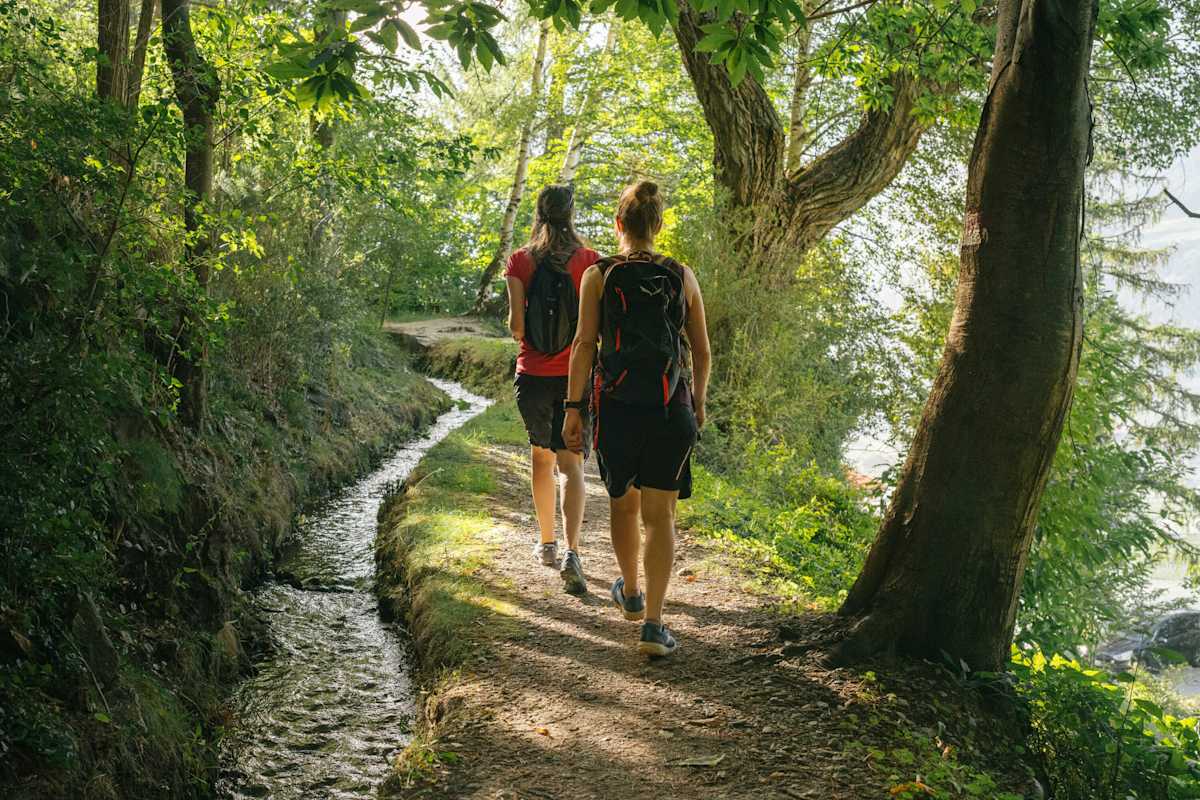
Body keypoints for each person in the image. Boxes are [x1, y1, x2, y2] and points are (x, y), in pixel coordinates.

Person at [562, 180, 711, 656]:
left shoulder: (599, 275)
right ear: (658, 225)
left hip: (617, 408)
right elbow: (702, 351)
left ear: (618, 224)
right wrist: (698, 401)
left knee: (623, 505)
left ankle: (630, 592)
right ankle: (653, 625)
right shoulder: (681, 275)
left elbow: (584, 345)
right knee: (661, 516)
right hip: (671, 407)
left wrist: (572, 408)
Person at [506, 184, 599, 594]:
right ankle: (573, 551)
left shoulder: (520, 261)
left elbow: (516, 328)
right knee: (571, 466)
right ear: (570, 214)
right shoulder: (590, 261)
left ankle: (547, 544)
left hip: (533, 376)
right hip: (576, 378)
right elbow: (595, 330)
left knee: (541, 459)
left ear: (539, 213)